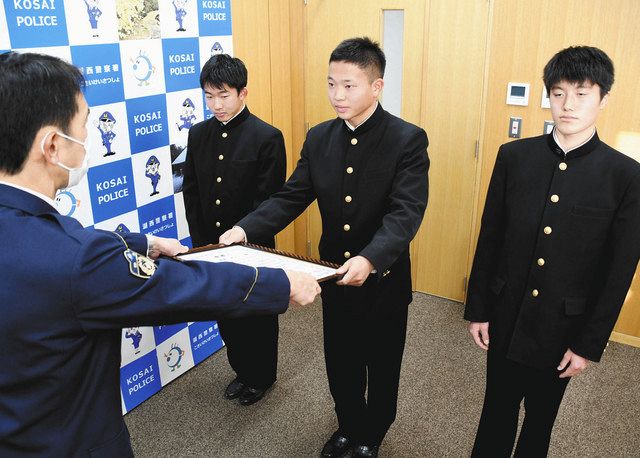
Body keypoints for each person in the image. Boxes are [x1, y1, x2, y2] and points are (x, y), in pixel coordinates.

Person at [0, 52, 321, 457]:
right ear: (52, 144)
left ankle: (259, 375)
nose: (87, 139)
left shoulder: (37, 233)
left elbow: (64, 242)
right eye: (83, 126)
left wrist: (144, 244)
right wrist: (280, 284)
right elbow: (180, 288)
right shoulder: (79, 259)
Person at [220, 37, 429, 458]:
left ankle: (372, 435)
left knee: (382, 364)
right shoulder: (319, 138)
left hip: (383, 279)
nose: (337, 95)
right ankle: (348, 425)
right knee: (341, 358)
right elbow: (290, 196)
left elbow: (405, 212)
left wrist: (370, 257)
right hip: (333, 275)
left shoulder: (406, 139)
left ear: (376, 86)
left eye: (349, 85)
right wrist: (245, 229)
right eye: (332, 83)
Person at [465, 45, 640, 457]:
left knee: (540, 420)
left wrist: (588, 344)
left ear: (603, 99)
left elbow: (618, 271)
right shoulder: (514, 157)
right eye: (558, 93)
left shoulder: (625, 175)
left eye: (581, 93)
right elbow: (490, 237)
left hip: (564, 327)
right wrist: (479, 308)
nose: (568, 105)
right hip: (507, 313)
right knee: (496, 410)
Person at [182, 54, 287, 407]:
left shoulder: (267, 137)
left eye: (224, 95)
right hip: (211, 248)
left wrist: (244, 240)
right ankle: (242, 371)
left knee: (257, 315)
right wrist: (202, 246)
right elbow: (192, 193)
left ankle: (262, 376)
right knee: (226, 313)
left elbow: (269, 202)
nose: (216, 105)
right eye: (209, 96)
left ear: (243, 93)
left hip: (252, 248)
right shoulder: (198, 134)